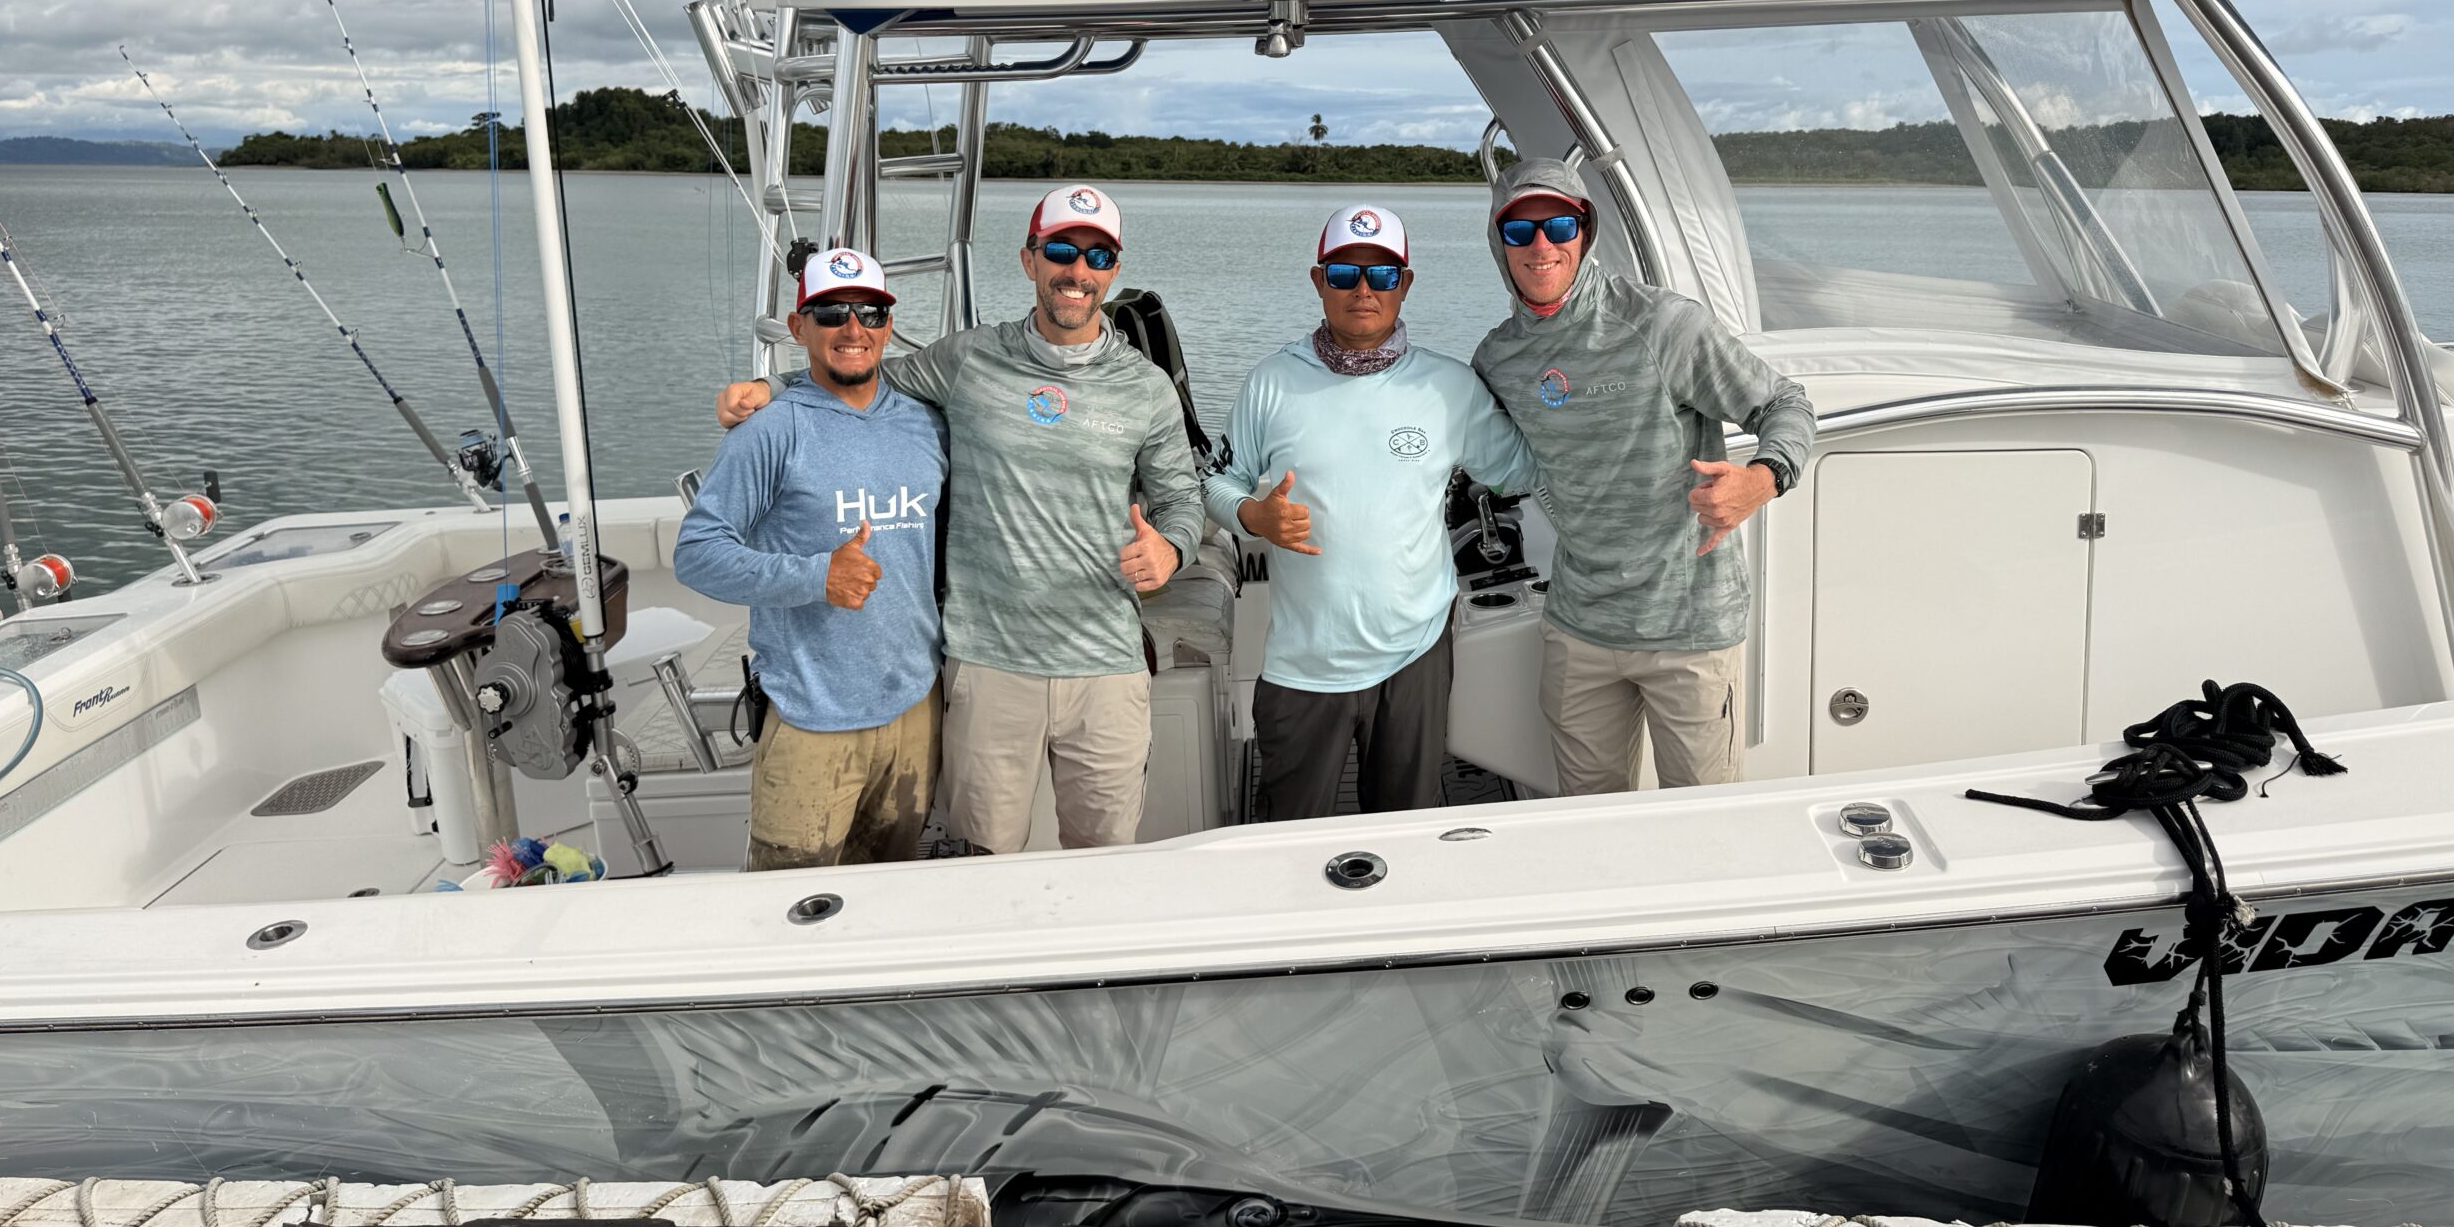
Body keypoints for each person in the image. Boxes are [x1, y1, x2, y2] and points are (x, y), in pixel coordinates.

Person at [717, 185, 1201, 853]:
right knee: (981, 865)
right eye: (1061, 250)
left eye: (1097, 257)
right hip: (988, 665)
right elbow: (865, 372)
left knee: (1107, 862)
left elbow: (1182, 501)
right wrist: (773, 387)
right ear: (1030, 260)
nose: (1078, 272)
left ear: (1114, 271)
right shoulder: (968, 359)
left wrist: (1171, 551)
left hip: (1108, 668)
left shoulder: (1145, 387)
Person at [1472, 159, 1815, 795]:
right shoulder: (1496, 359)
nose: (1541, 245)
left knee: (1705, 824)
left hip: (1687, 629)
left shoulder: (1663, 325)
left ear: (1586, 232)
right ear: (1499, 242)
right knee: (1589, 822)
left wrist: (1760, 480)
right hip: (1578, 625)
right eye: (1521, 230)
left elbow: (1785, 404)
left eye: (1559, 226)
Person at [1206, 204, 1541, 820]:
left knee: (1406, 830)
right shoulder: (1271, 382)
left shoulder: (1449, 386)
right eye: (1345, 274)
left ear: (1405, 284)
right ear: (1318, 280)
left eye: (1383, 275)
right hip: (1303, 664)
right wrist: (1254, 518)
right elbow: (1217, 484)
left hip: (1416, 653)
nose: (1364, 290)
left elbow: (1524, 469)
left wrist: (1564, 383)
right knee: (1287, 837)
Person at [675, 248, 945, 869]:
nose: (854, 330)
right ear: (799, 328)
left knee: (891, 889)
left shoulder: (928, 424)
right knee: (789, 905)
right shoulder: (771, 429)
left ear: (888, 326)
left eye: (871, 314)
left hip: (916, 709)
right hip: (810, 717)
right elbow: (696, 554)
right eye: (831, 313)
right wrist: (816, 575)